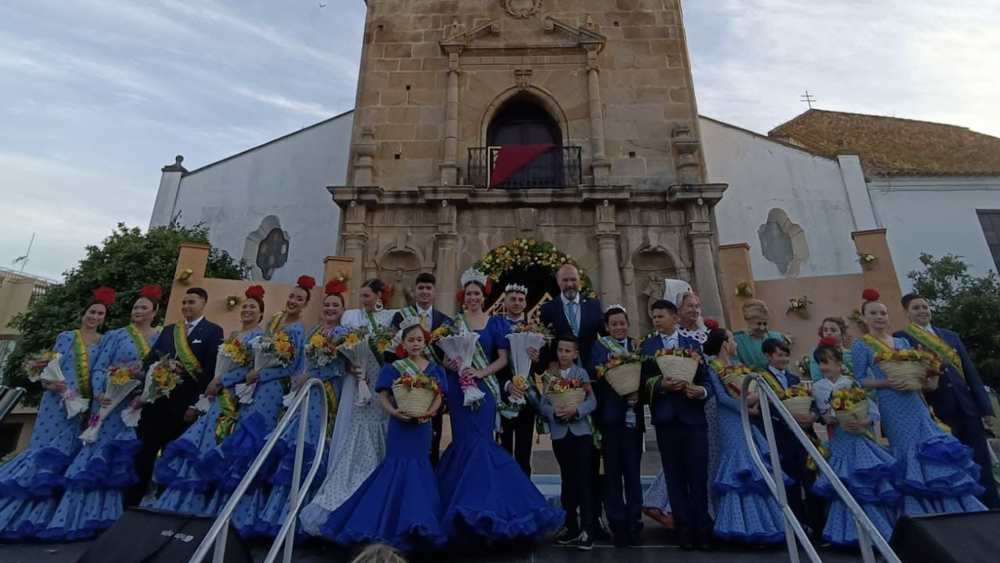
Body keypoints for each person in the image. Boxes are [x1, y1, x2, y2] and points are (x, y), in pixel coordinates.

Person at [437, 269, 562, 547]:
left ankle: (493, 509)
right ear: (463, 296)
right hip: (459, 390)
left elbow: (503, 359)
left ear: (483, 296)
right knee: (462, 444)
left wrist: (480, 373)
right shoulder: (453, 323)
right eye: (468, 294)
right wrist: (452, 365)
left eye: (477, 294)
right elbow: (444, 359)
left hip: (483, 388)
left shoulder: (495, 323)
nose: (472, 298)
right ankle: (463, 510)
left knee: (483, 446)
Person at [317, 319, 447, 553]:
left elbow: (439, 395)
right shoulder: (394, 368)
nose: (415, 344)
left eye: (419, 340)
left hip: (422, 426)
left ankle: (416, 524)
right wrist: (393, 413)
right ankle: (387, 523)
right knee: (394, 467)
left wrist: (430, 412)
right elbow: (383, 397)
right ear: (403, 344)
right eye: (411, 340)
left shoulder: (434, 369)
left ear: (425, 342)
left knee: (419, 467)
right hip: (399, 425)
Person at [43, 286, 162, 540]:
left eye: (143, 307)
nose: (137, 311)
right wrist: (98, 392)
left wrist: (147, 395)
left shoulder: (160, 338)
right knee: (93, 455)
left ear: (154, 312)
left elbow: (160, 373)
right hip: (106, 403)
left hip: (132, 407)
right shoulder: (116, 335)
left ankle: (106, 518)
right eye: (135, 307)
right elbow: (98, 368)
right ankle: (73, 518)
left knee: (118, 460)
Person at [853, 289, 985, 516]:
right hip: (892, 405)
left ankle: (952, 505)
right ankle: (921, 511)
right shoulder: (861, 345)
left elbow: (918, 374)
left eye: (883, 313)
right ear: (864, 318)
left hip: (915, 401)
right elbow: (860, 379)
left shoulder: (901, 341)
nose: (879, 317)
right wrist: (887, 383)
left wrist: (929, 378)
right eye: (873, 313)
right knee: (907, 453)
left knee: (931, 448)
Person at [204, 277, 310, 537]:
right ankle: (224, 508)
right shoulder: (274, 323)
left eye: (299, 299)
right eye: (292, 296)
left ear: (305, 305)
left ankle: (245, 515)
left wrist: (260, 374)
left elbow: (290, 366)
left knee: (255, 443)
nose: (293, 301)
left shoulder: (297, 330)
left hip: (272, 390)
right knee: (241, 440)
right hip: (255, 388)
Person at [0, 289, 109, 539]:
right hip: (55, 405)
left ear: (104, 319)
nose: (94, 317)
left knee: (69, 456)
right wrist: (51, 385)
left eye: (100, 314)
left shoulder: (105, 342)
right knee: (44, 454)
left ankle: (51, 519)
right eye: (92, 312)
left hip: (82, 407)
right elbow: (49, 369)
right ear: (84, 313)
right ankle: (17, 516)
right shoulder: (67, 337)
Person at [149, 286, 266, 515]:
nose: (247, 310)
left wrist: (223, 379)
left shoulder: (260, 338)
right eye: (245, 306)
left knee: (215, 441)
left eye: (253, 307)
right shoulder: (233, 335)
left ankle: (210, 503)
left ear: (261, 313)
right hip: (217, 394)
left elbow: (252, 369)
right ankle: (183, 500)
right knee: (200, 442)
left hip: (235, 396)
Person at [256, 280, 350, 538]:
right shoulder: (315, 330)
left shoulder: (342, 334)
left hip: (324, 394)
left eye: (335, 305)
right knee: (294, 448)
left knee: (311, 448)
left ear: (343, 309)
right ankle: (278, 516)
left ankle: (304, 518)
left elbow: (337, 367)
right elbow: (301, 363)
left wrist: (309, 377)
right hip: (303, 394)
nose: (330, 308)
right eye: (327, 304)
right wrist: (297, 382)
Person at [301, 281, 393, 537]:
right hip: (357, 382)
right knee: (355, 434)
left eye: (367, 295)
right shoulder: (352, 317)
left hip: (379, 384)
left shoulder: (391, 317)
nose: (363, 299)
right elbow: (341, 351)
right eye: (361, 295)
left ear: (380, 295)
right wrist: (349, 366)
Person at [894, 293, 1000, 509]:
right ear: (907, 313)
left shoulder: (950, 336)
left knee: (980, 460)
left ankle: (991, 508)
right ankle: (965, 509)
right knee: (952, 464)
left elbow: (970, 372)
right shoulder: (902, 338)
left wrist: (985, 408)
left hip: (967, 407)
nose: (922, 311)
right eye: (916, 308)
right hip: (937, 411)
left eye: (925, 306)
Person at [127, 287, 223, 507]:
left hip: (183, 408)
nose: (186, 306)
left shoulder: (213, 331)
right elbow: (150, 362)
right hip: (155, 405)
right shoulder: (170, 330)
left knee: (172, 457)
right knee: (143, 456)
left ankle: (163, 505)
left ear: (203, 303)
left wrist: (195, 405)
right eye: (184, 303)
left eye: (191, 302)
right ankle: (131, 505)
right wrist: (142, 391)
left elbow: (210, 371)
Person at [539, 264, 608, 539]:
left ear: (579, 280)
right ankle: (571, 523)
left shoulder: (593, 305)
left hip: (590, 382)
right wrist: (549, 361)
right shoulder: (548, 309)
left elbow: (604, 337)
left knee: (592, 464)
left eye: (573, 279)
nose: (570, 283)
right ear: (558, 282)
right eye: (565, 280)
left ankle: (594, 519)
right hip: (561, 388)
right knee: (568, 470)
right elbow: (546, 344)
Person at [639, 299, 713, 551]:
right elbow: (642, 381)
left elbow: (706, 378)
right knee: (675, 477)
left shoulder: (692, 344)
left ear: (674, 318)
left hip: (693, 419)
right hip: (666, 419)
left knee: (698, 476)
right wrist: (660, 385)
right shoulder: (648, 346)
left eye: (660, 316)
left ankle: (702, 530)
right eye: (654, 317)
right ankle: (683, 531)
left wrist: (701, 391)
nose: (656, 321)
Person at [702, 328, 785, 545]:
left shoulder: (737, 364)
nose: (736, 343)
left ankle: (763, 523)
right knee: (739, 465)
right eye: (732, 339)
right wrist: (745, 407)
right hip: (729, 419)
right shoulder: (712, 367)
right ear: (724, 344)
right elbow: (721, 397)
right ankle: (738, 524)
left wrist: (754, 400)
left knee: (752, 462)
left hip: (744, 416)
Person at [811, 343, 898, 546]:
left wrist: (863, 422)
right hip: (838, 440)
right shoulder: (818, 387)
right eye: (820, 363)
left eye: (827, 362)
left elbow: (872, 409)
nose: (823, 367)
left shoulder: (851, 383)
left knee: (863, 481)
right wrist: (825, 418)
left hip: (857, 439)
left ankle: (878, 531)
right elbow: (820, 413)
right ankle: (847, 533)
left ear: (839, 364)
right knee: (843, 483)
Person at [587, 305, 643, 548]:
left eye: (622, 323)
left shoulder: (637, 346)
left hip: (633, 419)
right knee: (612, 474)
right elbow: (594, 374)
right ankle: (618, 524)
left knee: (633, 473)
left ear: (628, 324)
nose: (619, 328)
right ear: (607, 327)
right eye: (614, 324)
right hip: (609, 418)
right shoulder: (600, 347)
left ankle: (634, 522)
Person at [758, 338, 824, 537]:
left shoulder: (794, 378)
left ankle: (817, 526)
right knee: (791, 484)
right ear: (768, 356)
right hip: (781, 438)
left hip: (803, 437)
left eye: (786, 355)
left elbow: (809, 400)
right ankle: (797, 527)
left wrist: (812, 415)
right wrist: (786, 418)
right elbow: (763, 408)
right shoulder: (761, 379)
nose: (784, 359)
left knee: (811, 481)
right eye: (780, 355)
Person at [542, 334, 597, 551]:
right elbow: (544, 403)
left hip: (580, 432)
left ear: (576, 354)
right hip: (560, 434)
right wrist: (553, 412)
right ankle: (570, 525)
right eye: (560, 350)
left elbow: (592, 401)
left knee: (584, 479)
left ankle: (587, 528)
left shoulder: (581, 374)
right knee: (567, 479)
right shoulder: (550, 376)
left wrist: (576, 409)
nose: (563, 354)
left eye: (567, 351)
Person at [391, 272, 452, 467]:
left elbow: (448, 352)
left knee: (433, 434)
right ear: (415, 291)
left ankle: (430, 475)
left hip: (433, 386)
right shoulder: (400, 316)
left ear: (434, 291)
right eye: (421, 288)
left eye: (428, 288)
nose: (425, 291)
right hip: (407, 384)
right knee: (406, 432)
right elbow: (391, 350)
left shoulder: (445, 320)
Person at [498, 283, 537, 476]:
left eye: (520, 299)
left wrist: (537, 358)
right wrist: (506, 385)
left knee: (524, 449)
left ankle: (525, 488)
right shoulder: (496, 327)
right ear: (504, 301)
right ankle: (505, 487)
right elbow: (491, 360)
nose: (516, 303)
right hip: (505, 395)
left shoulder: (534, 329)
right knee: (503, 448)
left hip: (527, 395)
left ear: (525, 303)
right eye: (512, 299)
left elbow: (541, 366)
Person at [733, 300, 786, 371]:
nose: (762, 328)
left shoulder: (775, 337)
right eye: (758, 324)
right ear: (748, 320)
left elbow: (785, 366)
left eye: (765, 324)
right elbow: (735, 366)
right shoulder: (737, 340)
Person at [809, 317, 853, 382]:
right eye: (825, 330)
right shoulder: (817, 353)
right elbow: (817, 379)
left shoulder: (851, 354)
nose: (828, 333)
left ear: (842, 333)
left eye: (833, 330)